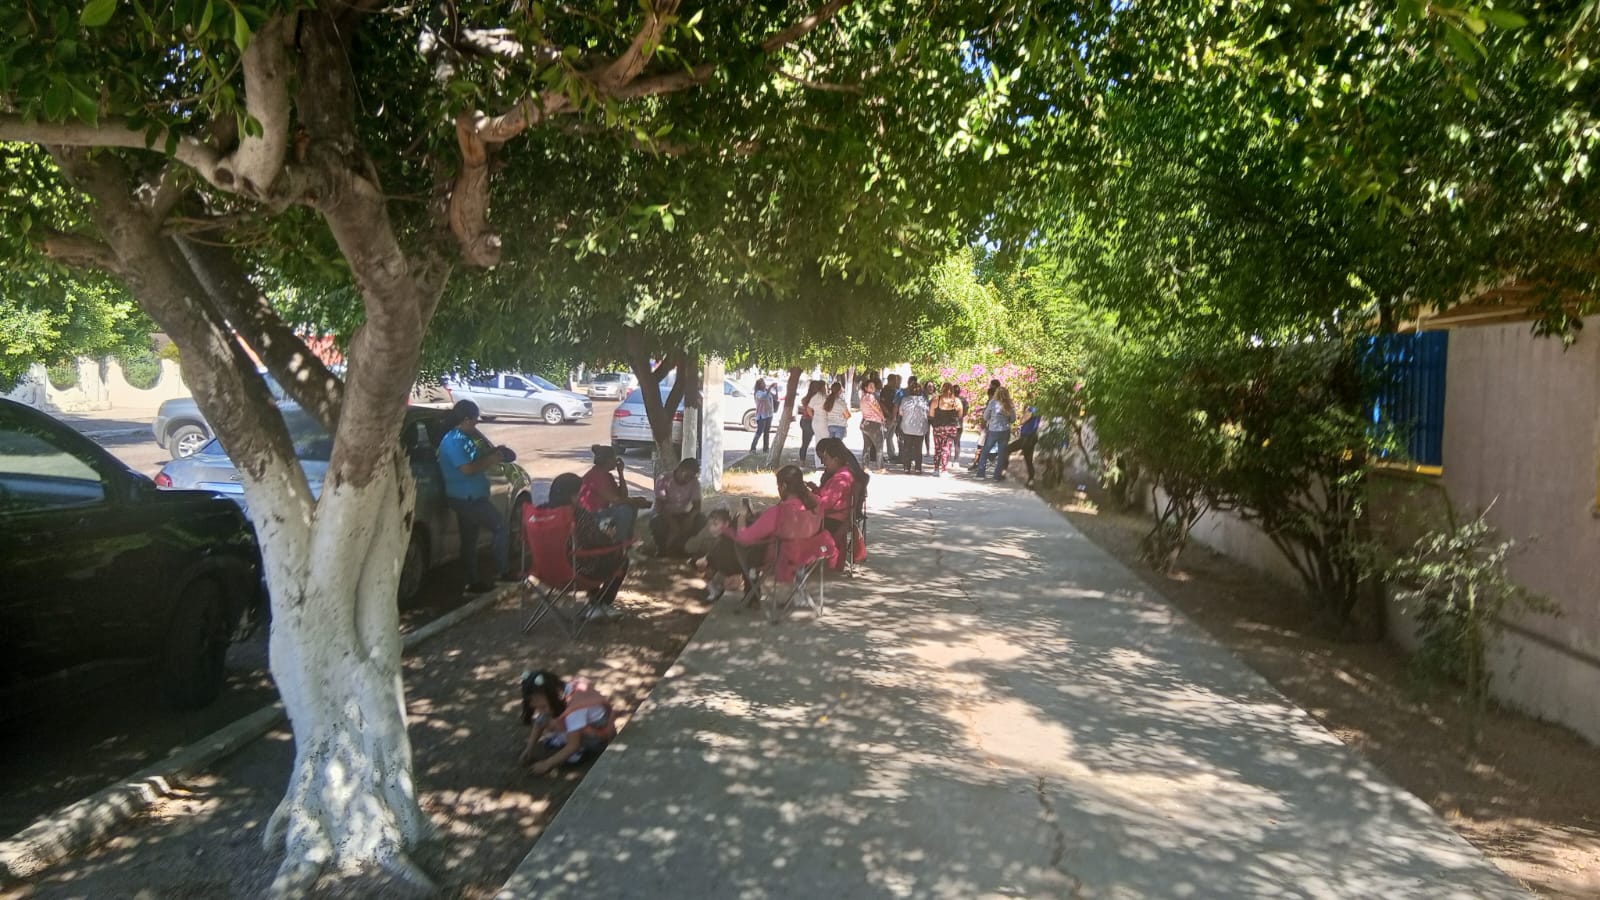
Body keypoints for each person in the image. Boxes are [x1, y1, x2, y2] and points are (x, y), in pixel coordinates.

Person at [438, 400, 515, 594]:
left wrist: (492, 451)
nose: (476, 424)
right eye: (474, 420)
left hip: (469, 496)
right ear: (465, 419)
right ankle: (502, 572)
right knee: (500, 527)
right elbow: (467, 468)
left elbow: (473, 458)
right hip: (467, 497)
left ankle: (472, 582)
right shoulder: (454, 440)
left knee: (470, 539)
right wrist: (492, 459)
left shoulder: (463, 437)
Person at [733, 465, 836, 584]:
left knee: (733, 539)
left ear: (784, 486)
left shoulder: (778, 513)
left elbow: (743, 537)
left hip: (778, 560)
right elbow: (815, 500)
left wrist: (741, 516)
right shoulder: (815, 508)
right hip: (807, 558)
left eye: (778, 486)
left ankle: (747, 591)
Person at [544, 472, 630, 615]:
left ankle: (595, 603)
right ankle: (601, 604)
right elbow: (597, 541)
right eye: (579, 493)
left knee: (588, 556)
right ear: (572, 495)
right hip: (575, 572)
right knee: (620, 559)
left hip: (545, 571)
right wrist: (608, 536)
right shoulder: (577, 514)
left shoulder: (542, 511)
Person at [519, 670, 617, 775]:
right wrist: (529, 748)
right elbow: (540, 721)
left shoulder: (574, 710)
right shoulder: (561, 691)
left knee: (569, 742)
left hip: (599, 737)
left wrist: (546, 764)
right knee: (545, 717)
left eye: (542, 707)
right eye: (536, 707)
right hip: (587, 724)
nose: (540, 711)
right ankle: (563, 737)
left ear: (555, 694)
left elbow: (573, 745)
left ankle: (582, 751)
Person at [813, 437, 868, 568]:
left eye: (825, 459)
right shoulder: (843, 473)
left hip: (833, 517)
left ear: (836, 460)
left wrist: (808, 498)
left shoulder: (841, 478)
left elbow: (826, 504)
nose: (823, 463)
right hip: (837, 515)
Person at [578, 444, 650, 540]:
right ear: (608, 460)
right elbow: (615, 500)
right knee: (624, 510)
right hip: (591, 515)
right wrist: (635, 501)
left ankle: (627, 540)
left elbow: (623, 495)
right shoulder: (595, 475)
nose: (616, 461)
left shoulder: (608, 476)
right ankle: (620, 542)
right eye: (614, 458)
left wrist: (621, 473)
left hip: (601, 512)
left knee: (630, 506)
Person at [650, 457, 704, 556]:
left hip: (681, 513)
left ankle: (680, 546)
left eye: (691, 477)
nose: (689, 479)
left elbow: (697, 506)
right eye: (687, 475)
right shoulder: (664, 479)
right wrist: (671, 522)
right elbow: (659, 507)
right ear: (680, 469)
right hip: (663, 513)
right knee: (656, 523)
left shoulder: (694, 482)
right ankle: (662, 549)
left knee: (701, 519)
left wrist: (690, 518)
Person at [976, 386, 1017, 480]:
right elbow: (1013, 419)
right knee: (1002, 453)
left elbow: (986, 417)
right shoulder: (1009, 404)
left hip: (993, 430)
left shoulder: (992, 403)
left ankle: (981, 473)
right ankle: (997, 475)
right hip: (1005, 431)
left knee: (985, 451)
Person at [968, 379, 1004, 472]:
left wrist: (984, 422)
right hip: (995, 426)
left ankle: (979, 464)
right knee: (984, 445)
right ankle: (981, 463)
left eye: (992, 386)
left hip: (991, 426)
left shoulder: (995, 400)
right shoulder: (999, 400)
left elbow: (988, 414)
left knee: (982, 445)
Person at [1002, 406, 1043, 487]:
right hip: (1032, 437)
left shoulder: (1031, 409)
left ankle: (1003, 471)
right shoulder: (1039, 410)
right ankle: (1031, 480)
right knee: (1028, 459)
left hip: (1026, 438)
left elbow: (1022, 421)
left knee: (1006, 449)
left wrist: (1024, 412)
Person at [930, 383, 964, 476]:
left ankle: (936, 469)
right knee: (946, 448)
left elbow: (931, 414)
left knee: (937, 448)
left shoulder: (936, 400)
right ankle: (944, 469)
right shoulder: (956, 401)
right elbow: (960, 415)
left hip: (938, 427)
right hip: (950, 427)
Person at [897, 381, 929, 474]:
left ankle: (907, 467)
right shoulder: (924, 401)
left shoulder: (905, 400)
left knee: (907, 447)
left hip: (907, 427)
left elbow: (901, 413)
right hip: (920, 428)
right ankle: (918, 468)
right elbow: (927, 413)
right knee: (918, 448)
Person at [859, 378, 886, 470]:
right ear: (866, 388)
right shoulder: (871, 397)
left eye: (873, 386)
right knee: (879, 446)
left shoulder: (863, 397)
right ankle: (880, 467)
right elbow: (877, 408)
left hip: (865, 422)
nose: (873, 388)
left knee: (866, 446)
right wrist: (883, 417)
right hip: (874, 423)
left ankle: (865, 466)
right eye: (870, 386)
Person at [796, 380, 824, 467]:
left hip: (805, 421)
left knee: (805, 443)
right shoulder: (819, 399)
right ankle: (820, 462)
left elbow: (804, 402)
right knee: (820, 442)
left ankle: (802, 461)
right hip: (813, 421)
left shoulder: (806, 398)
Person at [750, 378, 775, 454]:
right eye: (762, 383)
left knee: (767, 432)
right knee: (759, 432)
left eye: (764, 383)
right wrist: (770, 388)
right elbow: (763, 397)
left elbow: (771, 399)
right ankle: (753, 448)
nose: (764, 384)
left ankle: (766, 448)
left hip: (769, 415)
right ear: (759, 385)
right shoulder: (758, 393)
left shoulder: (766, 392)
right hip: (761, 415)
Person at [880, 374, 902, 463]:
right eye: (895, 380)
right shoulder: (885, 390)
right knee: (884, 436)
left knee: (890, 437)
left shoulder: (894, 390)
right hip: (888, 417)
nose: (897, 382)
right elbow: (882, 403)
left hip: (894, 417)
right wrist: (889, 414)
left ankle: (891, 454)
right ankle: (880, 455)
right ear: (891, 380)